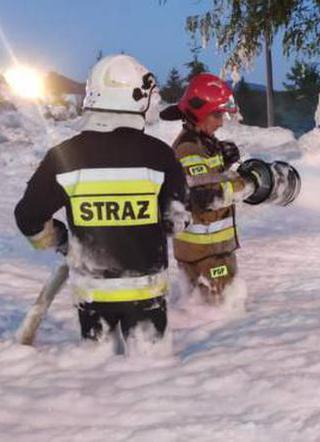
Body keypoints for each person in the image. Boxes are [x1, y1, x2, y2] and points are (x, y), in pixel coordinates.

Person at [14, 54, 186, 346]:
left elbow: (28, 218)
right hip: (147, 296)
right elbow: (177, 223)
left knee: (99, 377)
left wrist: (63, 242)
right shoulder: (160, 155)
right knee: (151, 380)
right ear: (136, 99)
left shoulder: (63, 156)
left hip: (92, 294)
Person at [160, 73, 300, 305]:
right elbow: (207, 196)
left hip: (211, 252)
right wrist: (252, 183)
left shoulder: (202, 144)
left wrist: (223, 161)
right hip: (204, 256)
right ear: (198, 111)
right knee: (218, 314)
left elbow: (203, 180)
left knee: (214, 310)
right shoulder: (189, 150)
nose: (221, 121)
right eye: (216, 115)